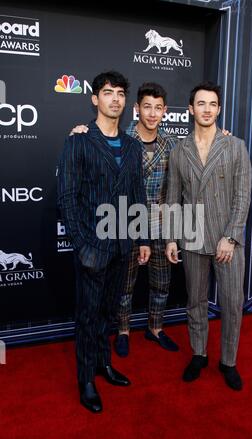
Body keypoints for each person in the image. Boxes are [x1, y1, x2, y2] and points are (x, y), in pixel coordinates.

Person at [57, 71, 151, 413]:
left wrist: (141, 237)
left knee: (108, 312)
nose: (115, 99)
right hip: (91, 248)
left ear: (126, 102)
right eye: (108, 93)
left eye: (121, 93)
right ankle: (85, 379)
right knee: (87, 315)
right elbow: (66, 198)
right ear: (95, 99)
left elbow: (138, 193)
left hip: (122, 245)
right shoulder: (78, 141)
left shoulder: (131, 145)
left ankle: (103, 364)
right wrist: (83, 246)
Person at [70, 82, 180, 357]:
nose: (153, 114)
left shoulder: (172, 144)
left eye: (158, 108)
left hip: (159, 224)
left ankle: (155, 328)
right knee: (123, 286)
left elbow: (178, 187)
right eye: (147, 107)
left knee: (161, 283)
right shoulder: (122, 138)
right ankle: (122, 330)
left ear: (165, 111)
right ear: (136, 109)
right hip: (123, 224)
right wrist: (78, 131)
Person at [166, 81, 252, 391]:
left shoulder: (235, 146)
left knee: (231, 303)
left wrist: (230, 237)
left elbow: (242, 197)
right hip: (191, 237)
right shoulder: (179, 151)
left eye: (212, 104)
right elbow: (173, 197)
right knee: (195, 302)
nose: (206, 109)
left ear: (218, 109)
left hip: (227, 240)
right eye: (200, 104)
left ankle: (228, 361)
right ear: (190, 109)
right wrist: (172, 238)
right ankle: (199, 354)